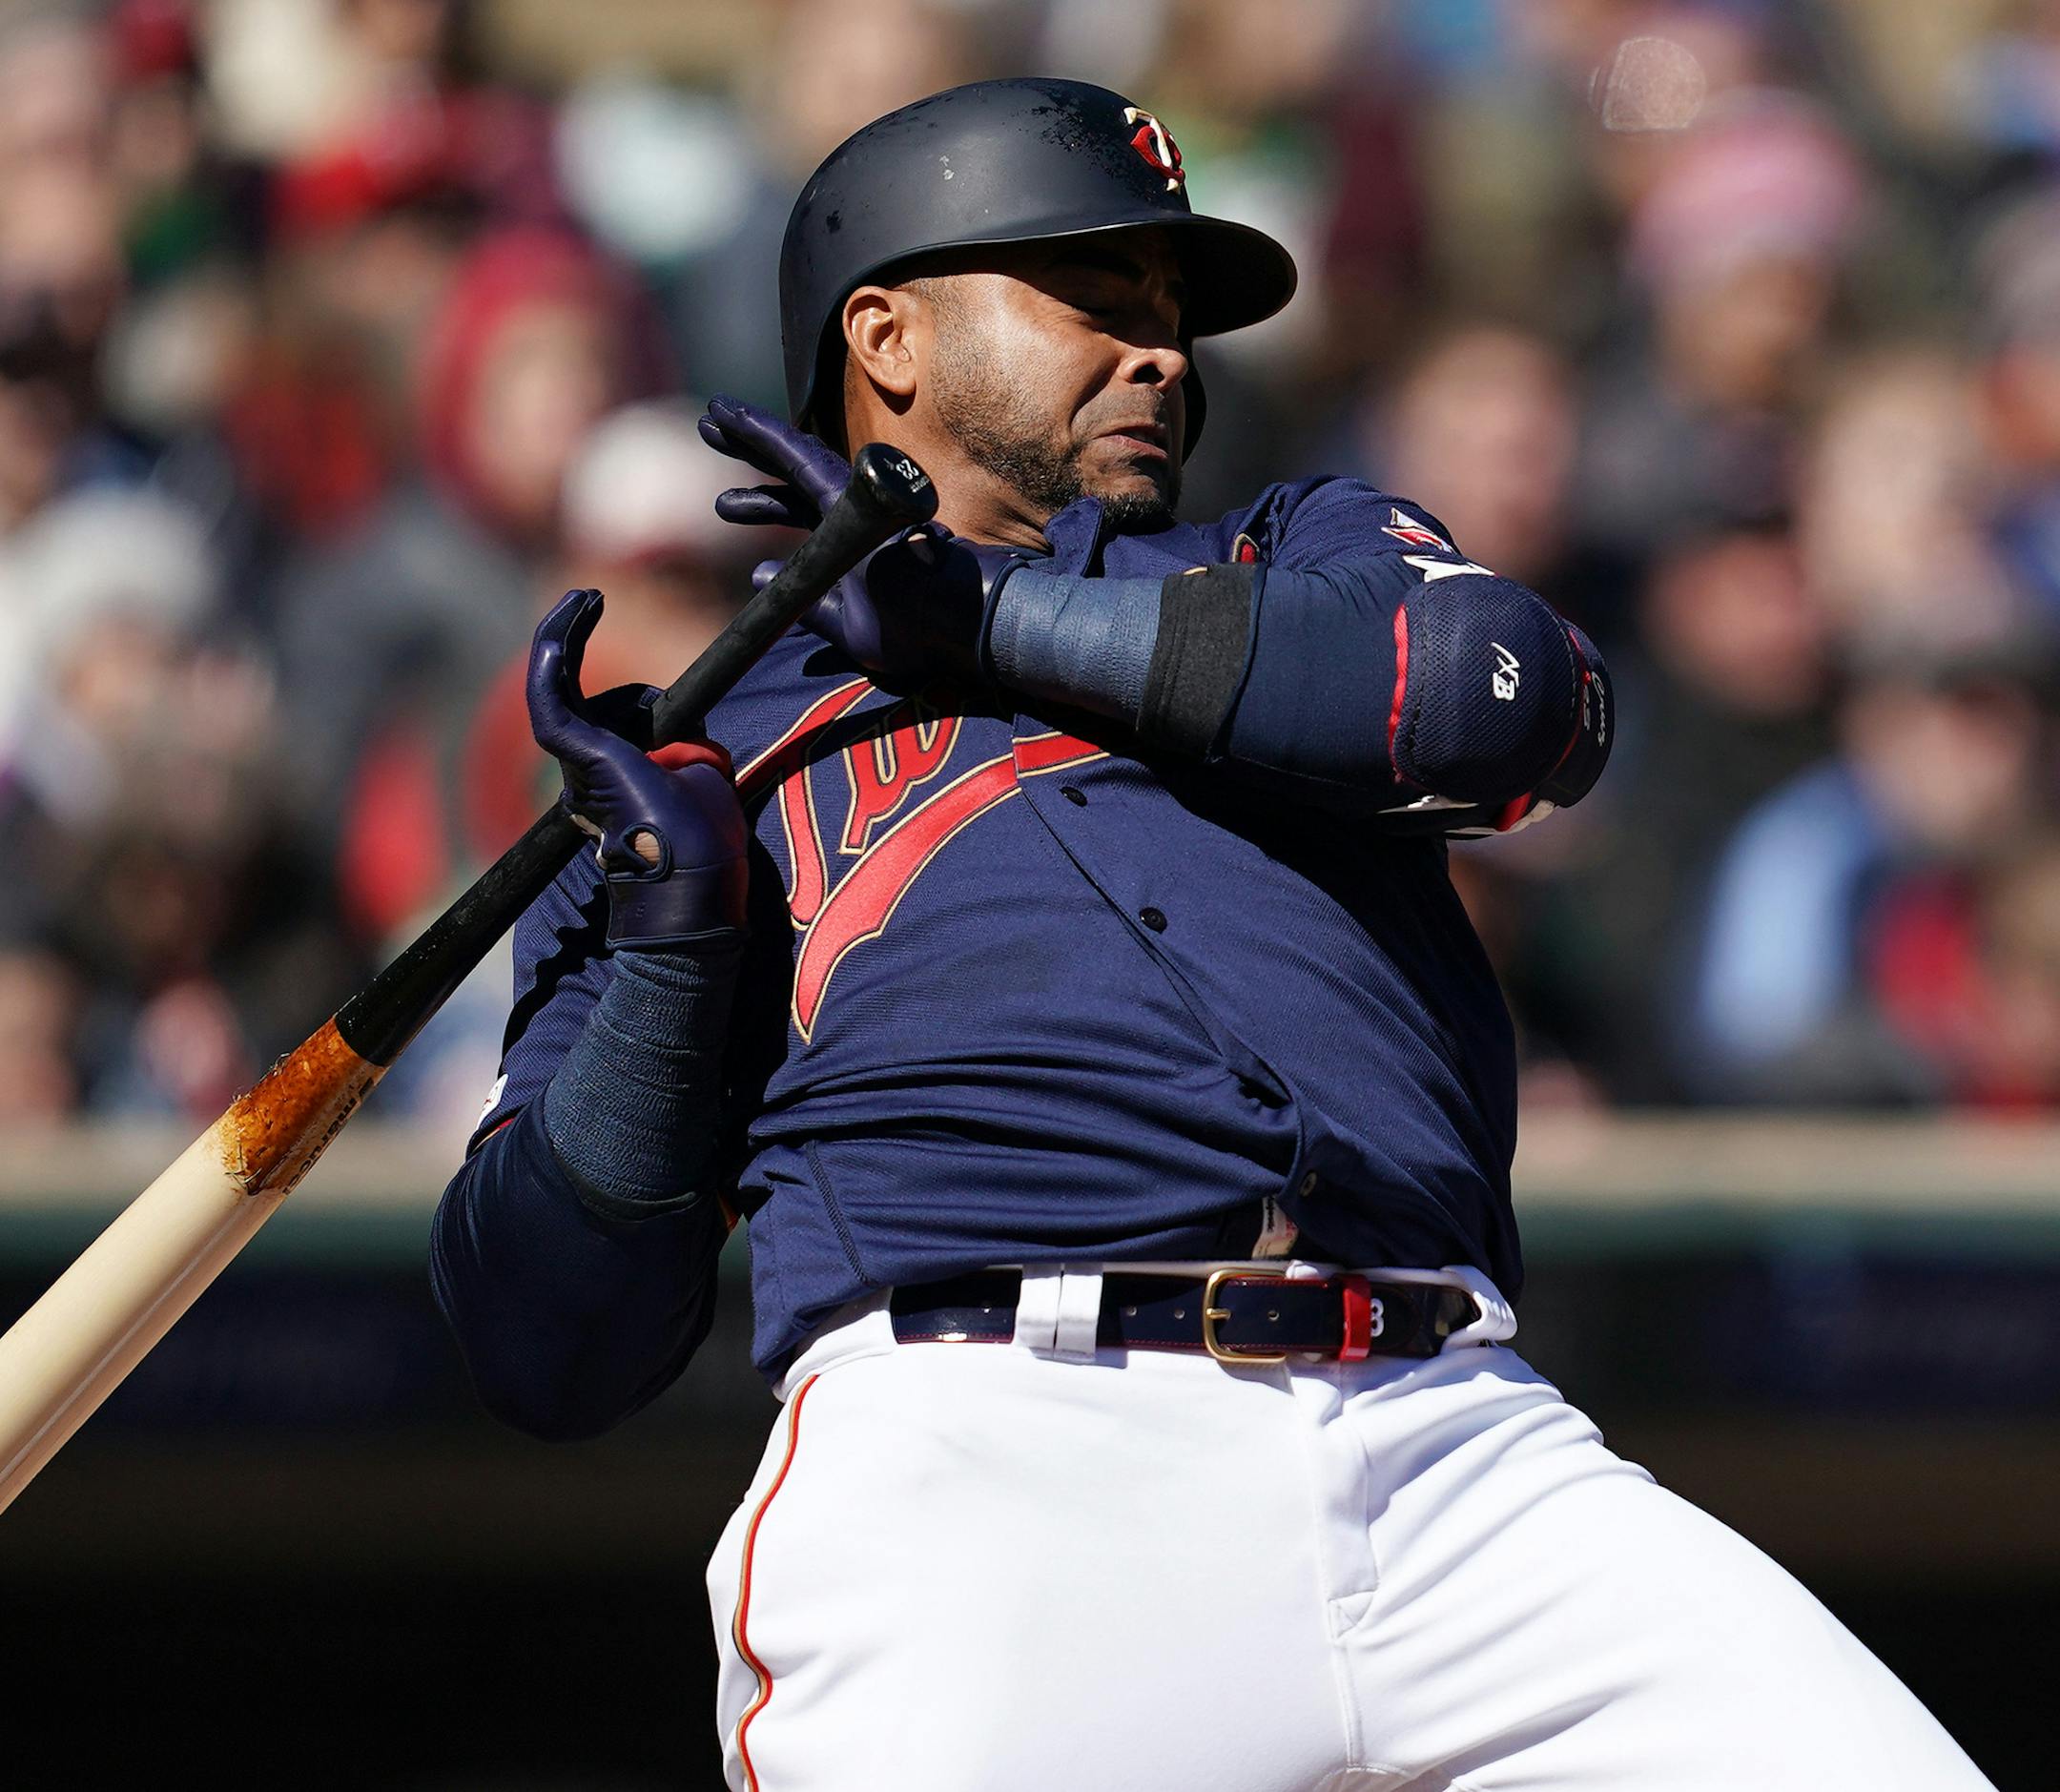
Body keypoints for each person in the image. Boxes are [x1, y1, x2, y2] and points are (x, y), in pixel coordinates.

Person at [430, 79, 1989, 1791]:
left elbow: (1522, 704)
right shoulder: (710, 764)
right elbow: (545, 1343)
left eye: (1172, 313)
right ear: (886, 337)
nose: (1161, 352)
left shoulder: (1291, 552)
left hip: (1454, 1449)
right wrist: (668, 946)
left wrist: (995, 619)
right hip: (997, 1465)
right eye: (1095, 298)